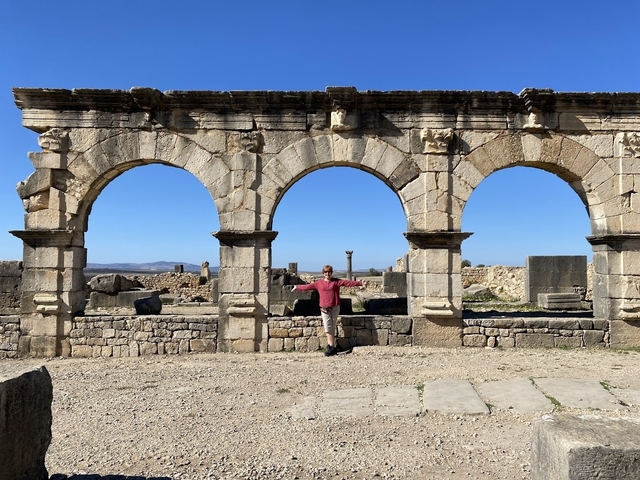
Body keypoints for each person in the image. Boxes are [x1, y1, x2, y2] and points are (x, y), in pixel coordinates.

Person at [293, 265, 365, 356]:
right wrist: (297, 287)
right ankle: (331, 346)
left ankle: (331, 347)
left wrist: (359, 283)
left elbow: (347, 283)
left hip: (335, 308)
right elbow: (308, 287)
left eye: (329, 272)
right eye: (325, 272)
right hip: (324, 309)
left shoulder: (336, 282)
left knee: (332, 326)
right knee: (328, 328)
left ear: (331, 273)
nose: (327, 274)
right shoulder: (319, 283)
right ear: (323, 273)